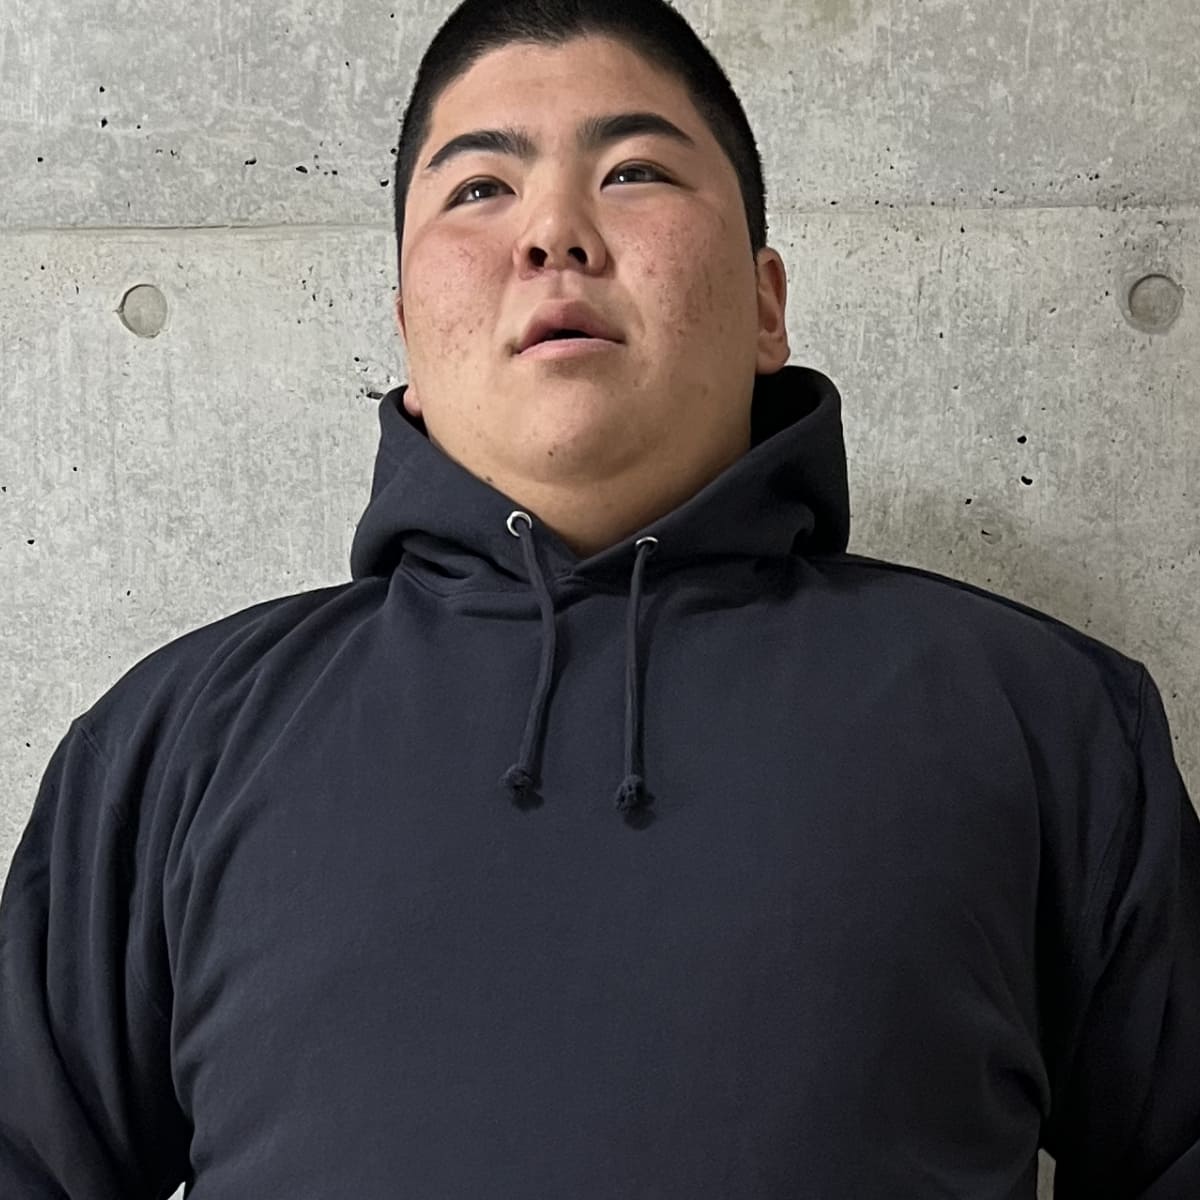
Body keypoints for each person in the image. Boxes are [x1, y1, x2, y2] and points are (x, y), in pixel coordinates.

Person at [2, 0, 1198, 1195]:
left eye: (633, 172)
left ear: (766, 304)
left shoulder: (1045, 719)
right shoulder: (176, 746)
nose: (554, 234)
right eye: (480, 188)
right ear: (407, 324)